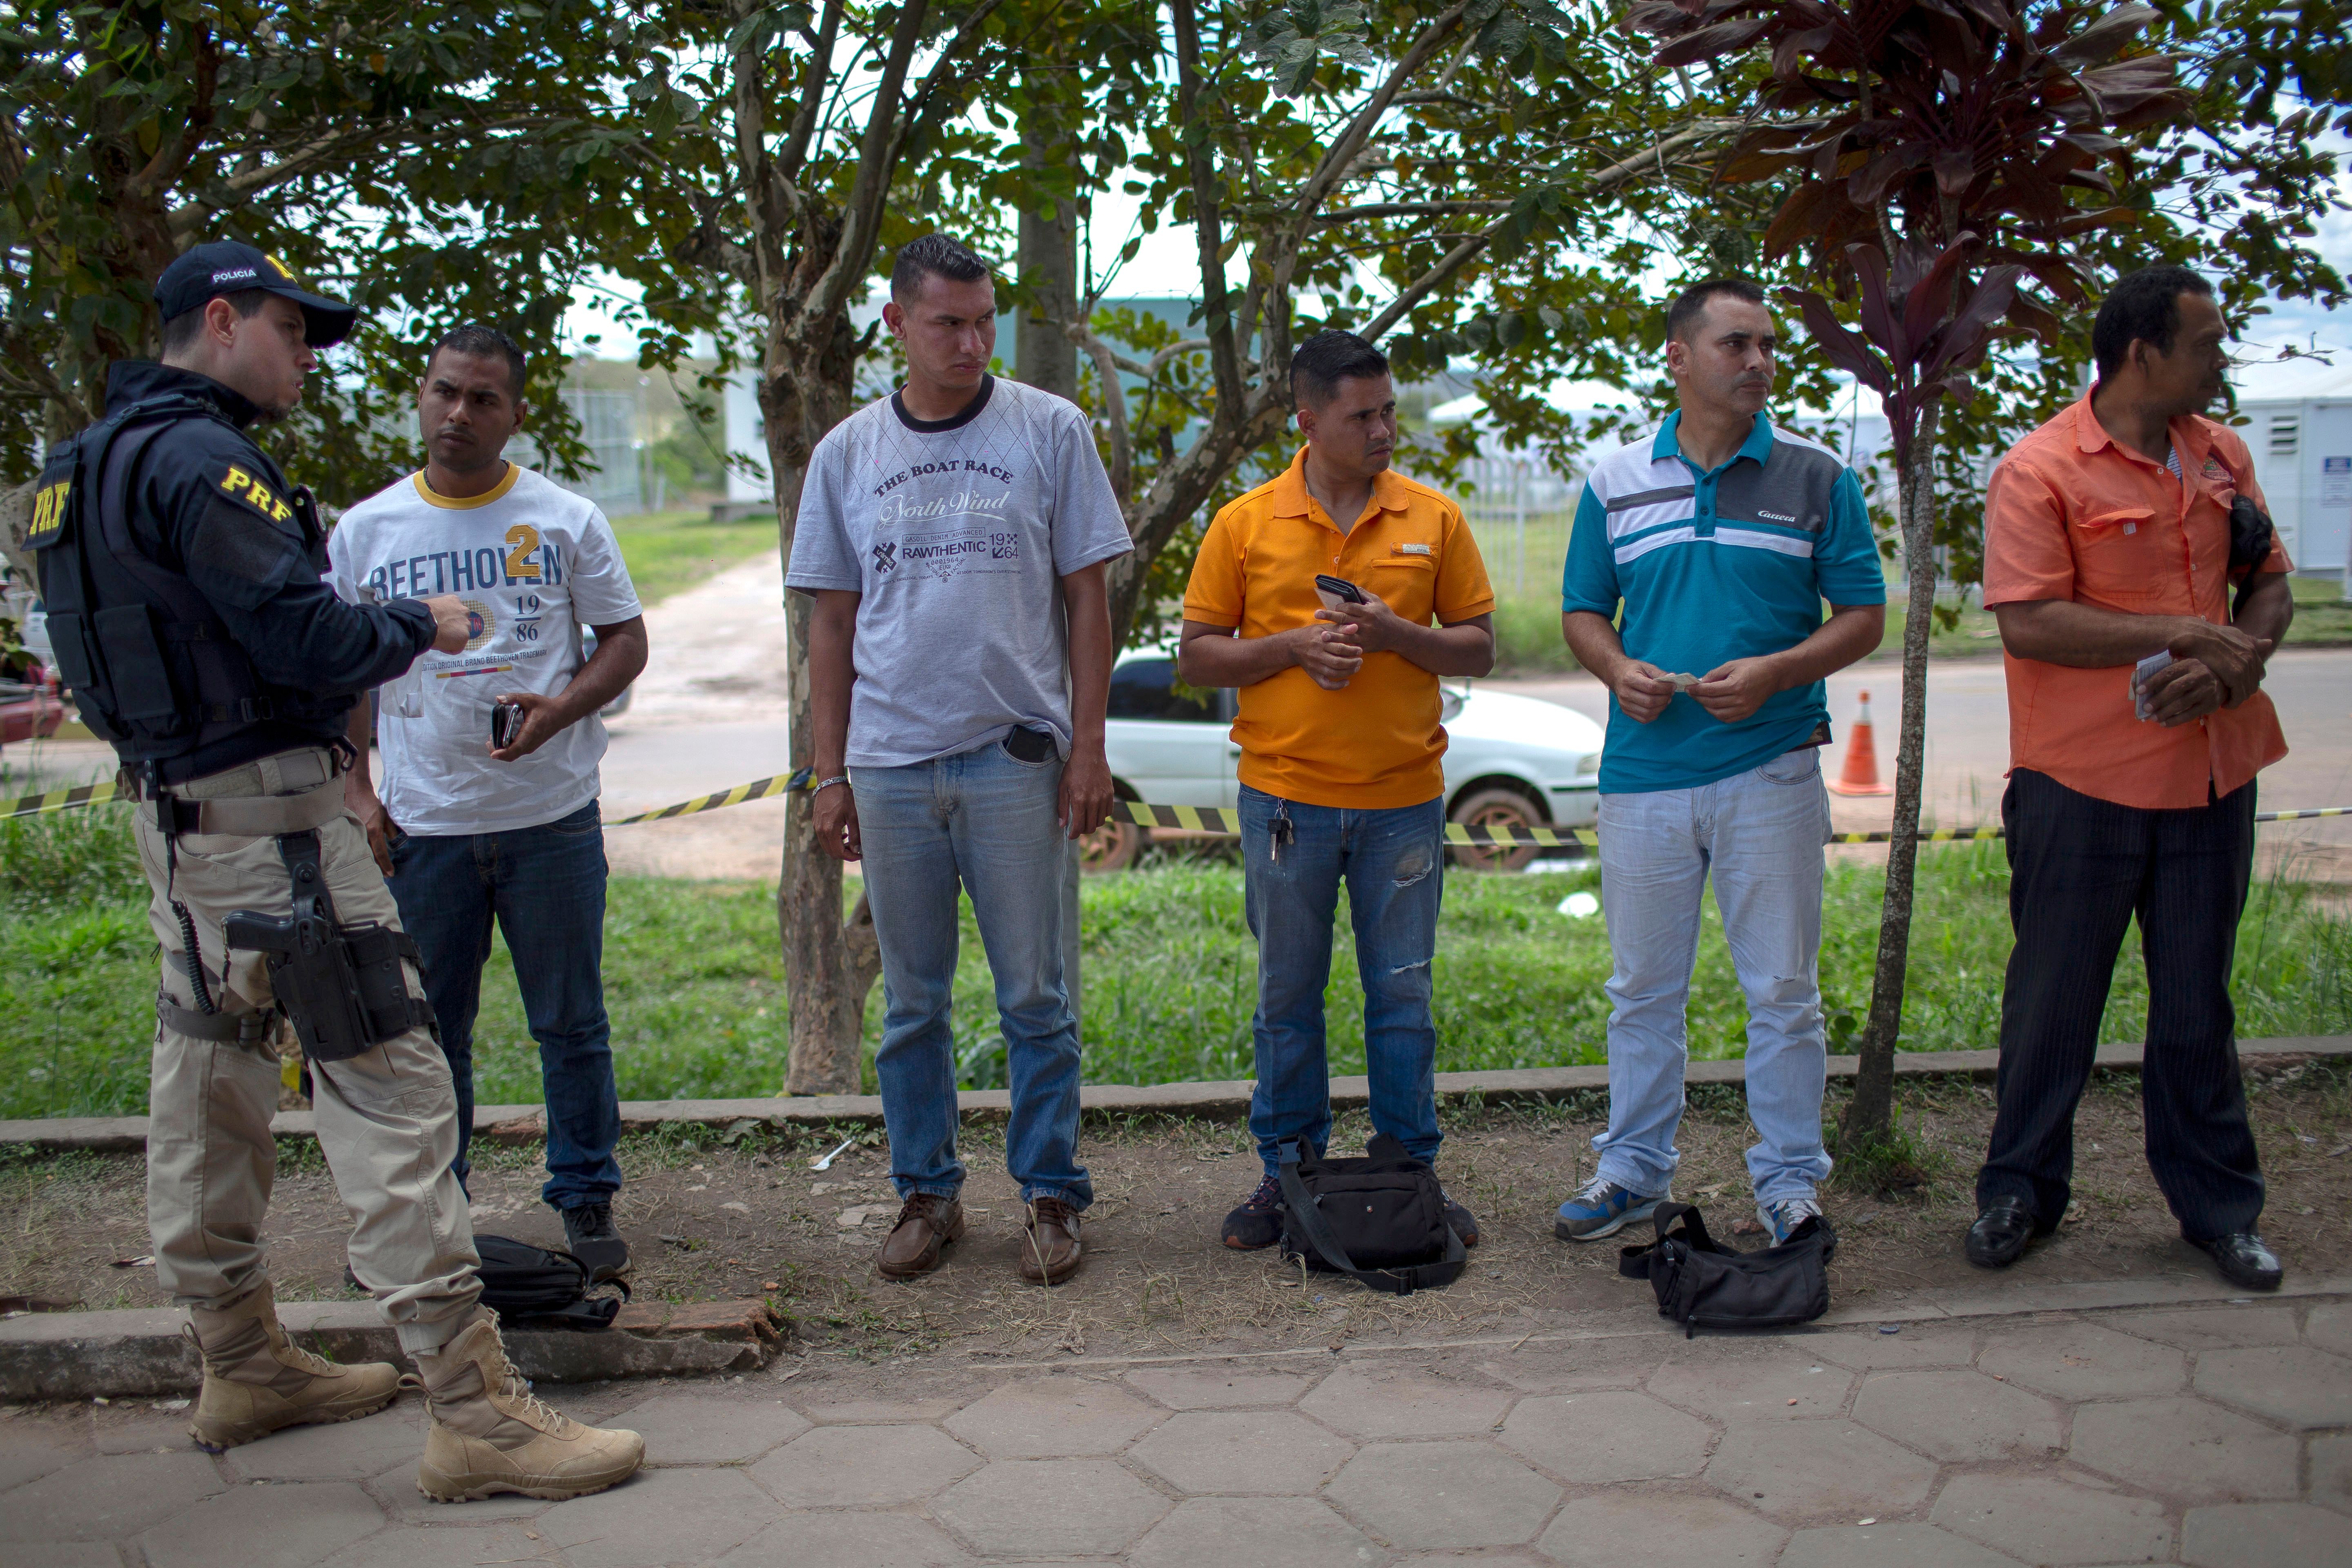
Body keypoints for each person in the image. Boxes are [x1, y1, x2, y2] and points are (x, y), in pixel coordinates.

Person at [27, 242, 641, 1497]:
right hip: (282, 832)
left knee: (207, 1084)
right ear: (218, 319)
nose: (308, 356)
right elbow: (306, 637)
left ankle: (240, 1357)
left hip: (179, 826)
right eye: (293, 330)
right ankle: (477, 1414)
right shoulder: (202, 464)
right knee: (399, 1090)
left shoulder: (73, 472)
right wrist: (424, 624)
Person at [788, 234, 1130, 1285]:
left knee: (1036, 996)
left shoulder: (1050, 431)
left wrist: (1088, 751)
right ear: (896, 323)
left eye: (984, 321)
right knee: (912, 1007)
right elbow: (831, 628)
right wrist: (829, 771)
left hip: (1015, 761)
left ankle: (1050, 1196)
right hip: (890, 770)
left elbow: (1088, 597)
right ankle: (927, 1195)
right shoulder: (848, 453)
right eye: (948, 323)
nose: (972, 342)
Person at [1964, 265, 2295, 1291]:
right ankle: (2019, 1193)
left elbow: (2270, 584)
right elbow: (2030, 619)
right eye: (2207, 342)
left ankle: (2218, 1211)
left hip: (2210, 779)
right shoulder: (2042, 470)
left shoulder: (2222, 454)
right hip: (2081, 786)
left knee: (2197, 1005)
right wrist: (2184, 633)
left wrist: (2240, 655)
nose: (2221, 358)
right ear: (2144, 353)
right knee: (2054, 1003)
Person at [1550, 278, 1886, 1247]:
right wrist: (1618, 670)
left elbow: (1864, 616)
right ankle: (1634, 1170)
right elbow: (1583, 610)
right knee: (1641, 991)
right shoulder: (1615, 482)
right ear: (1679, 359)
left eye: (1768, 346)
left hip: (1770, 767)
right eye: (1736, 344)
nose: (1759, 363)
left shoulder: (1819, 477)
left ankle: (1789, 1184)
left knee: (1783, 990)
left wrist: (1781, 672)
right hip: (1646, 775)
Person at [332, 324, 649, 1281]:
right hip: (423, 828)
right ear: (420, 399)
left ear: (514, 414)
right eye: (443, 393)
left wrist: (561, 712)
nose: (456, 414)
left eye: (480, 399)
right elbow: (345, 667)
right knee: (432, 1038)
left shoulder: (565, 520)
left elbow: (625, 642)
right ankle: (441, 1211)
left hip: (550, 822)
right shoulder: (368, 530)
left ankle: (585, 1198)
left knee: (571, 1024)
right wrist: (357, 787)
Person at [1177, 330, 1494, 1251]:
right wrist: (1291, 648)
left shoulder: (1433, 519)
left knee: (1402, 997)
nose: (1385, 428)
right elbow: (1197, 657)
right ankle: (1288, 1174)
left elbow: (1477, 645)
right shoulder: (1244, 524)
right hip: (1284, 803)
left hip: (1404, 800)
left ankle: (1408, 1171)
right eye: (1363, 415)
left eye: (1389, 409)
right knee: (1287, 997)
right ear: (1308, 420)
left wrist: (1398, 634)